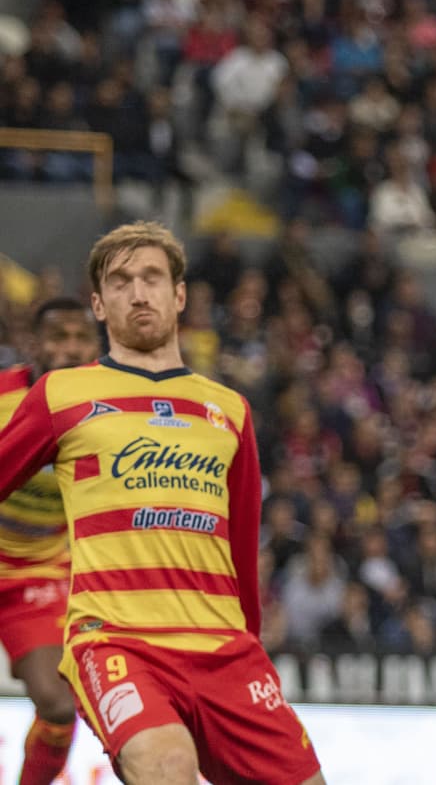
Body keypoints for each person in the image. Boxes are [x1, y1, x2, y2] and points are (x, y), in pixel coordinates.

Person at [0, 222, 325, 785]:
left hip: (227, 653)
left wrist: (250, 649)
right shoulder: (60, 394)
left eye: (152, 277)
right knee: (168, 765)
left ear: (179, 296)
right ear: (99, 305)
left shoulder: (229, 410)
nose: (138, 292)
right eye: (120, 282)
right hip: (116, 641)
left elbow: (241, 549)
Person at [0, 298, 100, 785]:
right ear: (34, 344)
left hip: (36, 574)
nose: (71, 348)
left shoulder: (108, 412)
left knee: (60, 706)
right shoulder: (1, 396)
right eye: (58, 338)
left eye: (81, 337)